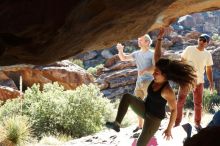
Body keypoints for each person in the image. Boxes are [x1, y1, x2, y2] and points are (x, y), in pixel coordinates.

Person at [106, 58, 196, 146]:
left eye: (156, 73)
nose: (153, 74)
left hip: (153, 120)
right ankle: (116, 124)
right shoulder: (155, 80)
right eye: (154, 71)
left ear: (165, 75)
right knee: (127, 97)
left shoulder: (167, 91)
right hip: (145, 108)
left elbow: (174, 110)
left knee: (140, 144)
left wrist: (169, 128)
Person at [117, 28, 165, 132]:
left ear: (147, 42)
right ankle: (140, 126)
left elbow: (155, 67)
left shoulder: (152, 54)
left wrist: (145, 70)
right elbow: (124, 58)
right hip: (139, 82)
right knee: (137, 103)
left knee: (152, 104)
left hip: (150, 82)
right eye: (138, 40)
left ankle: (156, 124)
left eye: (141, 40)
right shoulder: (136, 53)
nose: (138, 41)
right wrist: (120, 50)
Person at [175, 34, 214, 131]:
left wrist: (211, 82)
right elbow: (182, 61)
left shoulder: (207, 54)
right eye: (200, 39)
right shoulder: (189, 49)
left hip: (199, 81)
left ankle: (197, 123)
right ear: (198, 40)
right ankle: (177, 123)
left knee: (198, 104)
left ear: (207, 43)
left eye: (204, 41)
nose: (202, 42)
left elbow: (209, 69)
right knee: (180, 102)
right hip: (186, 80)